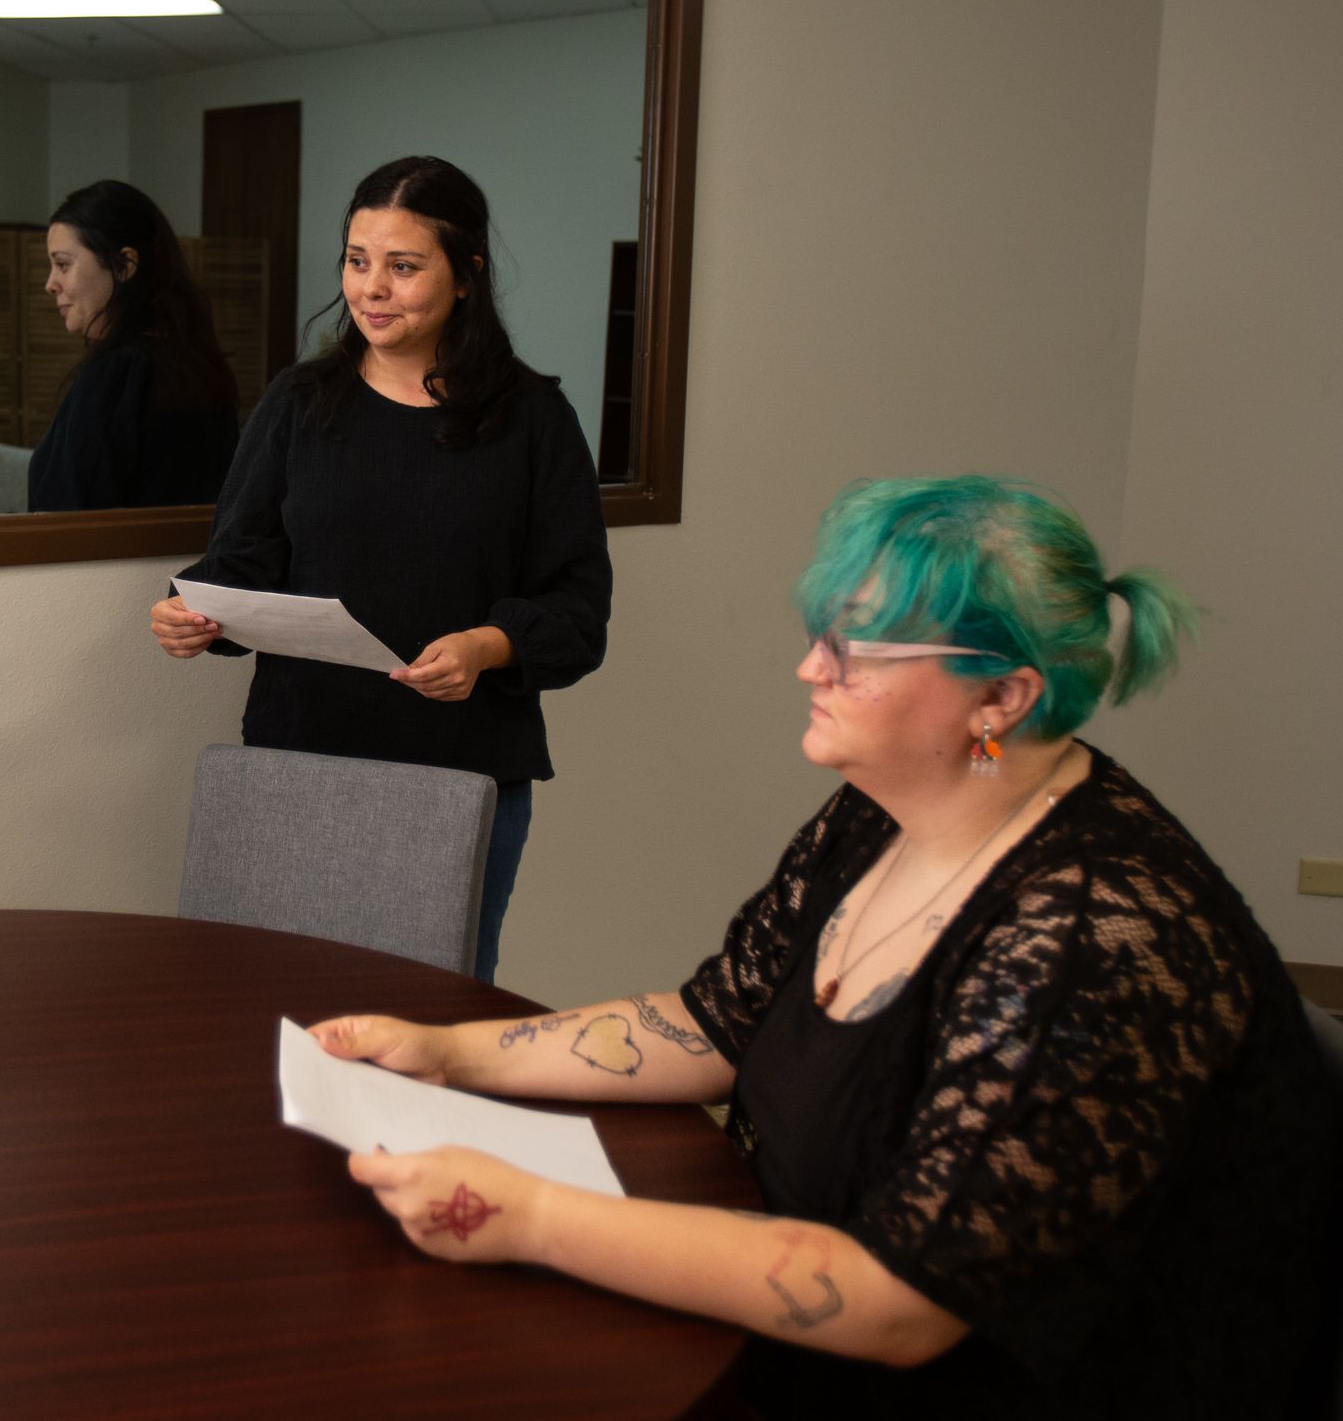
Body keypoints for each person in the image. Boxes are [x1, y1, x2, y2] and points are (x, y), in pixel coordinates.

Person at [312, 476, 1341, 1418]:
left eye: (854, 650)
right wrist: (448, 1051)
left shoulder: (1093, 937)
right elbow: (717, 1018)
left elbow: (902, 1301)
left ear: (1003, 698)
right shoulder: (882, 808)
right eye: (822, 634)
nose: (811, 667)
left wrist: (533, 1217)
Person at [150, 155, 612, 983]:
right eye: (358, 262)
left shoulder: (533, 419)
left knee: (434, 1022)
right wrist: (193, 614)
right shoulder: (299, 402)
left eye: (403, 267)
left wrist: (484, 645)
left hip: (461, 775)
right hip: (300, 760)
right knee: (266, 1005)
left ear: (467, 274)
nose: (372, 288)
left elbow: (578, 610)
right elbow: (241, 563)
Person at [27, 180, 240, 512]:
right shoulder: (202, 367)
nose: (50, 284)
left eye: (63, 264)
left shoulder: (119, 372)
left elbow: (70, 524)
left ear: (124, 265)